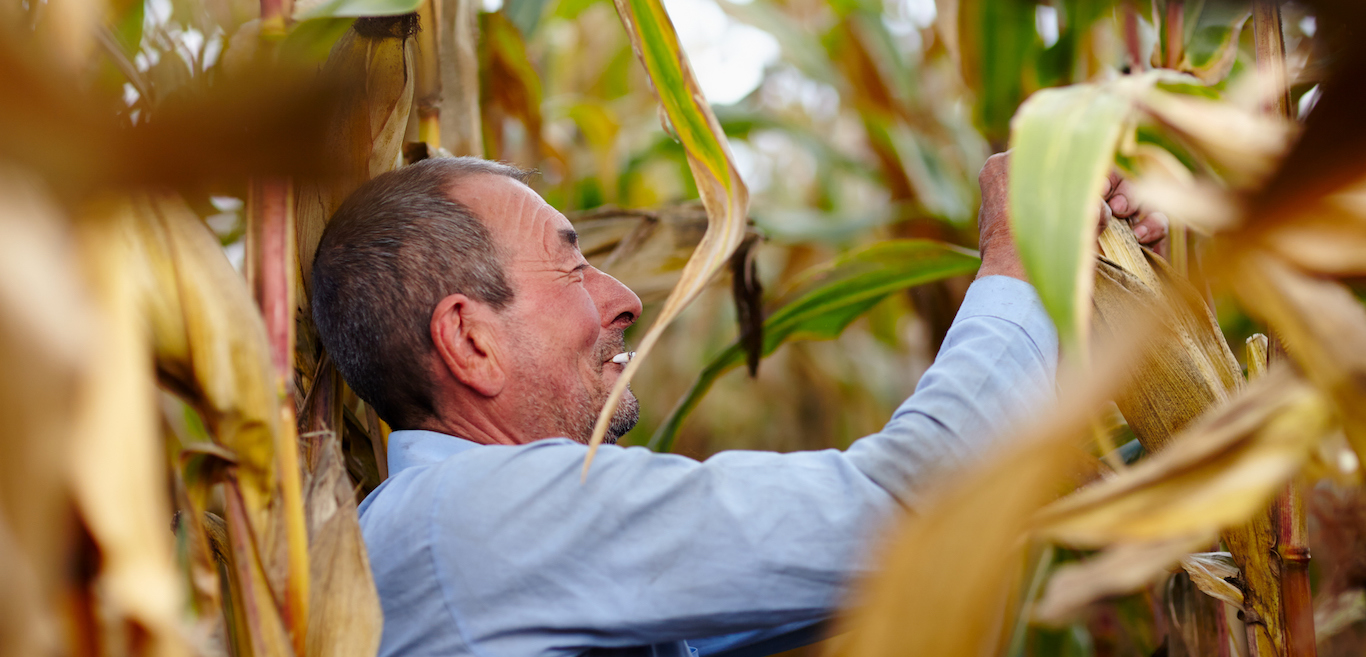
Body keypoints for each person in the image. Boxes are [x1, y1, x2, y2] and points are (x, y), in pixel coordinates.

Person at [310, 154, 1166, 657]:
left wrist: (1100, 305)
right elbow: (901, 511)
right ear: (470, 341)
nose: (623, 298)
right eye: (573, 268)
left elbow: (865, 579)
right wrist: (1017, 258)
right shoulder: (471, 518)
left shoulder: (460, 533)